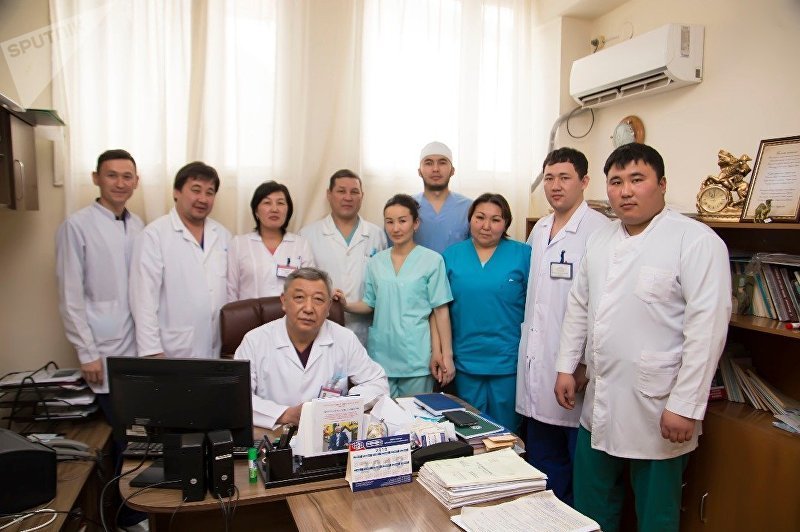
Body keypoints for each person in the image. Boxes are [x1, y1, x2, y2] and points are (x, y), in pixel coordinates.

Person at [554, 143, 731, 532]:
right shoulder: (600, 240)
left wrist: (685, 405)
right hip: (600, 401)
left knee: (656, 517)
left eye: (637, 179)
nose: (625, 191)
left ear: (662, 184)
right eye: (616, 182)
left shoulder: (696, 241)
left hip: (659, 405)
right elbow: (579, 307)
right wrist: (567, 365)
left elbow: (707, 330)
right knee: (591, 507)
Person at [55, 149, 147, 530]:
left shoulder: (139, 225)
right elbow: (70, 295)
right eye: (112, 175)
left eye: (127, 176)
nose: (120, 183)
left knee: (139, 434)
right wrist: (86, 352)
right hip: (102, 352)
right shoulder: (77, 226)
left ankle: (131, 511)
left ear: (136, 182)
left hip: (136, 349)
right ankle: (128, 516)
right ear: (96, 178)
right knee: (128, 436)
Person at [515, 147, 609, 506]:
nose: (555, 186)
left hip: (574, 371)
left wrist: (582, 362)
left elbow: (601, 305)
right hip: (537, 366)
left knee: (578, 468)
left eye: (564, 177)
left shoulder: (600, 231)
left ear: (584, 182)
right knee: (542, 463)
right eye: (549, 178)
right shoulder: (539, 229)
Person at [234, 267, 388, 429]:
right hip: (274, 434)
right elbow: (237, 397)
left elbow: (378, 383)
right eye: (299, 297)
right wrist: (285, 414)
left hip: (327, 433)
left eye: (318, 299)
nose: (308, 309)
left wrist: (341, 407)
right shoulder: (255, 341)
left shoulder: (345, 338)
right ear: (284, 301)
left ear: (328, 307)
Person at [341, 194, 454, 397]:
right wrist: (345, 305)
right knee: (381, 415)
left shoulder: (432, 260)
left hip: (416, 356)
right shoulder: (376, 262)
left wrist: (446, 355)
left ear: (415, 223)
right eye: (390, 222)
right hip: (382, 357)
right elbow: (369, 303)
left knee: (415, 414)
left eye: (402, 221)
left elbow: (440, 311)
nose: (396, 228)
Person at [442, 193, 530, 432]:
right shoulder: (451, 256)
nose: (486, 226)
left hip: (508, 360)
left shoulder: (524, 255)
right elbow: (439, 309)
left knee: (507, 431)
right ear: (470, 219)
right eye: (480, 217)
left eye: (495, 219)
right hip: (466, 359)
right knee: (470, 430)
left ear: (506, 223)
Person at [130, 161, 231, 358]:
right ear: (176, 192)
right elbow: (143, 299)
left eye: (209, 192)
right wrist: (151, 351)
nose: (203, 199)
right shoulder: (154, 235)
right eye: (196, 190)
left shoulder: (223, 235)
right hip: (172, 349)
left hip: (215, 347)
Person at [299, 169, 387, 345]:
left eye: (354, 192)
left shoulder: (376, 235)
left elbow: (383, 285)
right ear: (329, 194)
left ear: (362, 196)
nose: (348, 197)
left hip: (366, 329)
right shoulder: (307, 235)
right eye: (341, 191)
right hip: (322, 328)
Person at [228, 180, 315, 301]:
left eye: (280, 203)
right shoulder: (239, 244)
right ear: (256, 211)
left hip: (290, 313)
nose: (274, 209)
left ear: (288, 210)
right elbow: (231, 291)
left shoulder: (301, 245)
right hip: (249, 313)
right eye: (267, 203)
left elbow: (311, 287)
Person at [413, 141, 472, 254]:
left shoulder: (469, 208)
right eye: (428, 163)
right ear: (419, 171)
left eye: (442, 163)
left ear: (452, 171)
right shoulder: (406, 207)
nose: (435, 169)